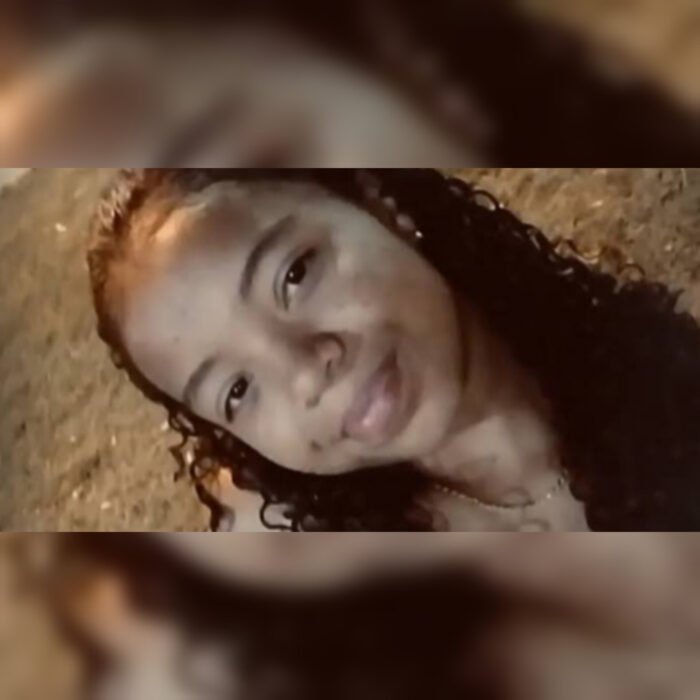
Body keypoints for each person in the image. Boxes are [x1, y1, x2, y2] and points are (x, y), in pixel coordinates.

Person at [87, 168, 700, 531]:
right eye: (238, 390)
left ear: (378, 204)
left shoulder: (664, 385)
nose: (306, 374)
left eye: (294, 276)